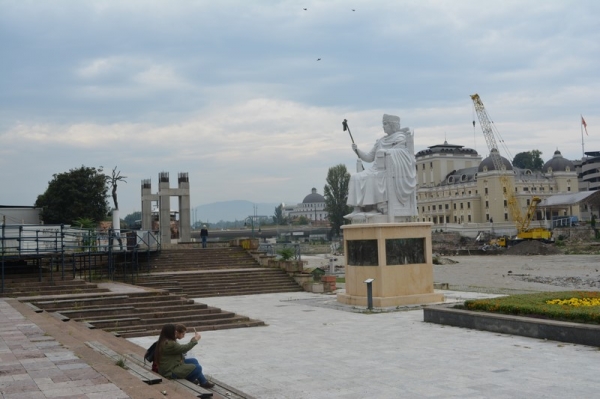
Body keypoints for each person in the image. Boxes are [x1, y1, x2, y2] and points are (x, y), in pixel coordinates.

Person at [346, 114, 417, 218]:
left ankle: (372, 208)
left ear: (392, 125)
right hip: (374, 169)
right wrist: (357, 150)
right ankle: (357, 208)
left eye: (385, 124)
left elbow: (404, 153)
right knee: (355, 177)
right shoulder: (381, 141)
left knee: (372, 177)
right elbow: (369, 157)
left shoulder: (400, 138)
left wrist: (387, 152)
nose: (383, 126)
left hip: (388, 170)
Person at [155, 323, 214, 389]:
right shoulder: (169, 343)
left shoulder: (164, 340)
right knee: (198, 368)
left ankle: (203, 382)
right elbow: (183, 349)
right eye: (174, 331)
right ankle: (190, 381)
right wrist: (195, 340)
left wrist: (192, 340)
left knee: (194, 361)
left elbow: (180, 349)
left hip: (170, 365)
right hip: (169, 371)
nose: (176, 332)